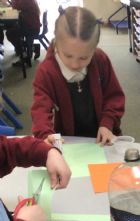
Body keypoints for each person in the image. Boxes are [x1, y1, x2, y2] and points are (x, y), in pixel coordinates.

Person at [31, 6, 125, 145]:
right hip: (67, 143)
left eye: (83, 58)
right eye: (68, 56)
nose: (75, 65)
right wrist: (46, 134)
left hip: (103, 139)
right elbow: (40, 111)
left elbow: (114, 96)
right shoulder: (46, 71)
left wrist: (107, 123)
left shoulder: (100, 60)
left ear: (94, 48)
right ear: (56, 40)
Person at [0, 0, 41, 64]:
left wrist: (8, 2)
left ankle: (24, 54)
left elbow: (15, 6)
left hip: (31, 28)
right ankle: (32, 48)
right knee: (12, 29)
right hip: (31, 25)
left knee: (10, 33)